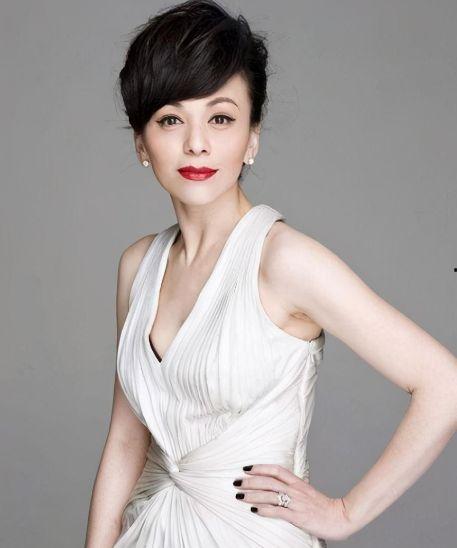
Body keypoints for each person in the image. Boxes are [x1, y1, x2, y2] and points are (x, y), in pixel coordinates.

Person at [84, 1, 457, 546]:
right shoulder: (138, 266)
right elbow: (125, 440)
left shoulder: (283, 262)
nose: (196, 143)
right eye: (170, 119)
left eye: (220, 118)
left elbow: (444, 383)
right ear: (141, 142)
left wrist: (344, 513)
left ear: (252, 137)